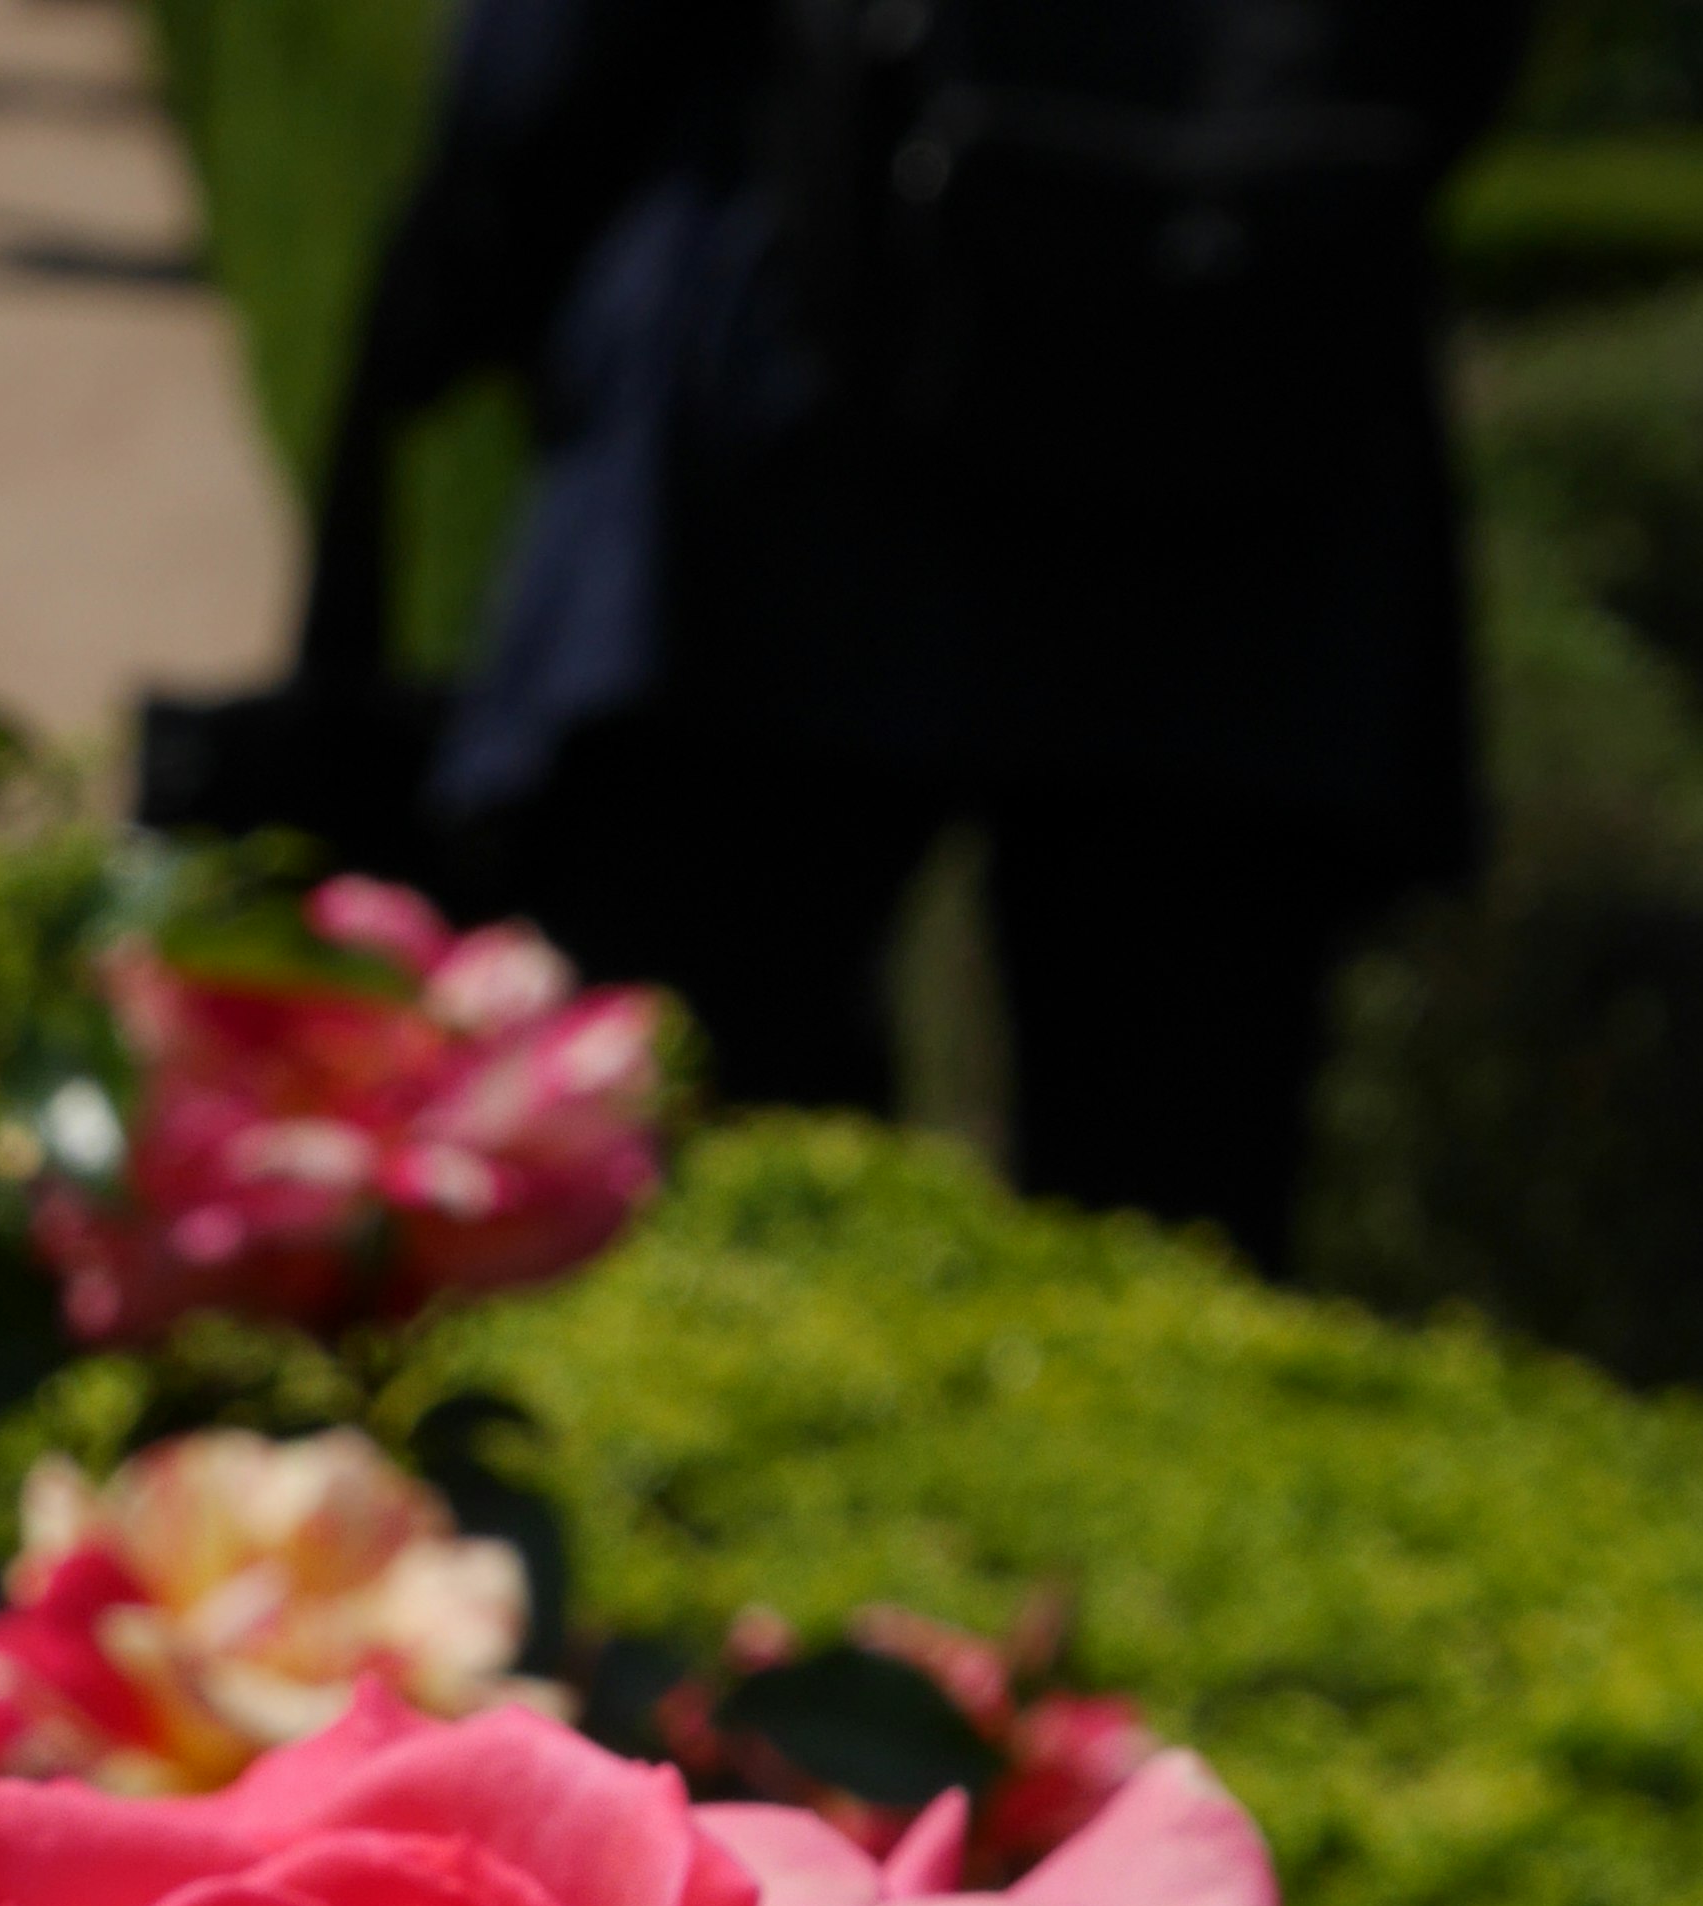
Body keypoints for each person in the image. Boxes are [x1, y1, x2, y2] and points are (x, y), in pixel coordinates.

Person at [331, 0, 1541, 1266]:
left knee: (691, 1180)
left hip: (785, 409)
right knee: (1169, 1233)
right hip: (1261, 410)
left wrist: (472, 260)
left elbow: (555, 67)